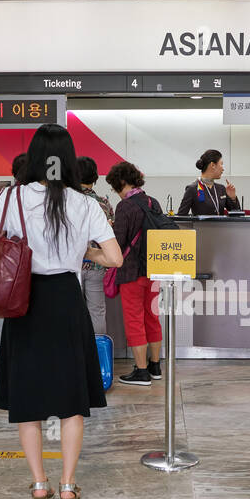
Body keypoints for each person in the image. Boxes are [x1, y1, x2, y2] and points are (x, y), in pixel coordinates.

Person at [0, 124, 122, 499]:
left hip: (24, 301)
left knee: (27, 399)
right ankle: (67, 486)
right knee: (70, 401)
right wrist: (85, 255)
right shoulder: (83, 203)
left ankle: (38, 484)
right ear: (68, 159)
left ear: (33, 156)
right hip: (66, 298)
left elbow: (1, 249)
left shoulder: (11, 197)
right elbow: (114, 257)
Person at [108, 161, 165, 387]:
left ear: (121, 182)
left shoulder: (125, 207)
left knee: (134, 319)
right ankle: (155, 366)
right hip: (154, 270)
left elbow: (118, 243)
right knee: (152, 316)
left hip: (131, 272)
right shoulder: (153, 201)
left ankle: (141, 372)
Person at [75, 156, 116, 336]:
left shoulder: (66, 201)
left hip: (72, 265)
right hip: (97, 264)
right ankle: (98, 356)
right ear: (95, 178)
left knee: (72, 312)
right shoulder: (103, 203)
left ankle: (75, 355)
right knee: (97, 311)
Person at [177, 149, 240, 216]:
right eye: (221, 164)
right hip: (201, 226)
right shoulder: (193, 189)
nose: (223, 169)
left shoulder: (221, 189)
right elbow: (181, 216)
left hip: (221, 226)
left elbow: (237, 215)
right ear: (212, 165)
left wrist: (233, 198)